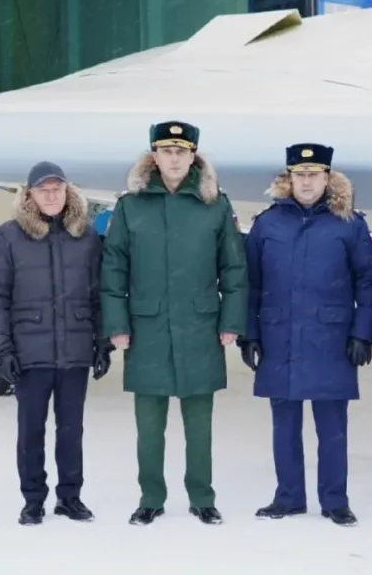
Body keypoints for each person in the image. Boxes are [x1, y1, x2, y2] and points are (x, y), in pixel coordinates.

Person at [100, 120, 248, 526]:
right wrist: (116, 325)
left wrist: (232, 320)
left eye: (182, 151)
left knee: (199, 425)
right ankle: (151, 497)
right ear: (154, 155)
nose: (175, 159)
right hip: (146, 328)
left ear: (193, 155)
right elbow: (113, 268)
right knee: (149, 426)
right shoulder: (131, 206)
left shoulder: (214, 204)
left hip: (200, 326)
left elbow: (234, 268)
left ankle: (202, 497)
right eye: (167, 151)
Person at [240, 143, 372, 527]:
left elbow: (370, 282)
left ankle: (335, 500)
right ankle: (288, 497)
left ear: (327, 178)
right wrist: (249, 334)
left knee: (332, 427)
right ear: (288, 178)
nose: (306, 182)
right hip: (279, 338)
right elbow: (250, 283)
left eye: (314, 174)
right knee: (284, 426)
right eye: (299, 175)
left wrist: (363, 333)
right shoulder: (268, 224)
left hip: (331, 339)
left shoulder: (349, 223)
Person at [0, 161, 110, 526]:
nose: (51, 196)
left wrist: (102, 342)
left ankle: (70, 497)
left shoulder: (86, 237)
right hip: (29, 354)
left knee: (71, 430)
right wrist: (1, 350)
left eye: (57, 189)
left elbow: (99, 295)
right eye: (43, 190)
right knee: (31, 431)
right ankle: (33, 499)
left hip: (74, 351)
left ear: (68, 192)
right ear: (30, 195)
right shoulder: (9, 237)